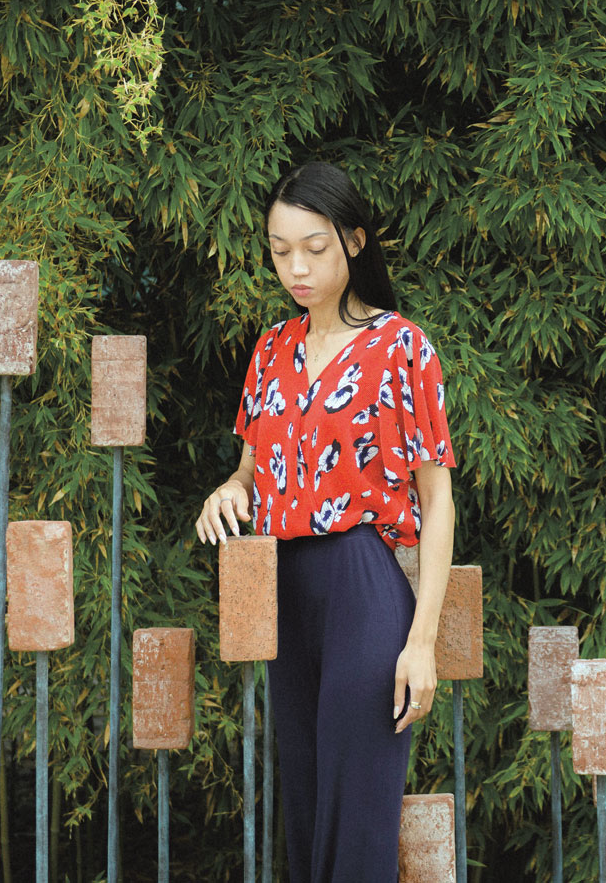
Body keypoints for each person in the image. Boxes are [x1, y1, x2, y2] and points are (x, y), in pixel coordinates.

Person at [195, 159, 457, 882]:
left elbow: (438, 501)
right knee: (307, 813)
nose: (296, 267)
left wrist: (423, 642)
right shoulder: (272, 350)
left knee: (359, 814)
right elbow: (251, 472)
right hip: (284, 588)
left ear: (355, 240)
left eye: (313, 247)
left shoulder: (403, 346)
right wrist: (227, 490)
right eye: (280, 251)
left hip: (361, 580)